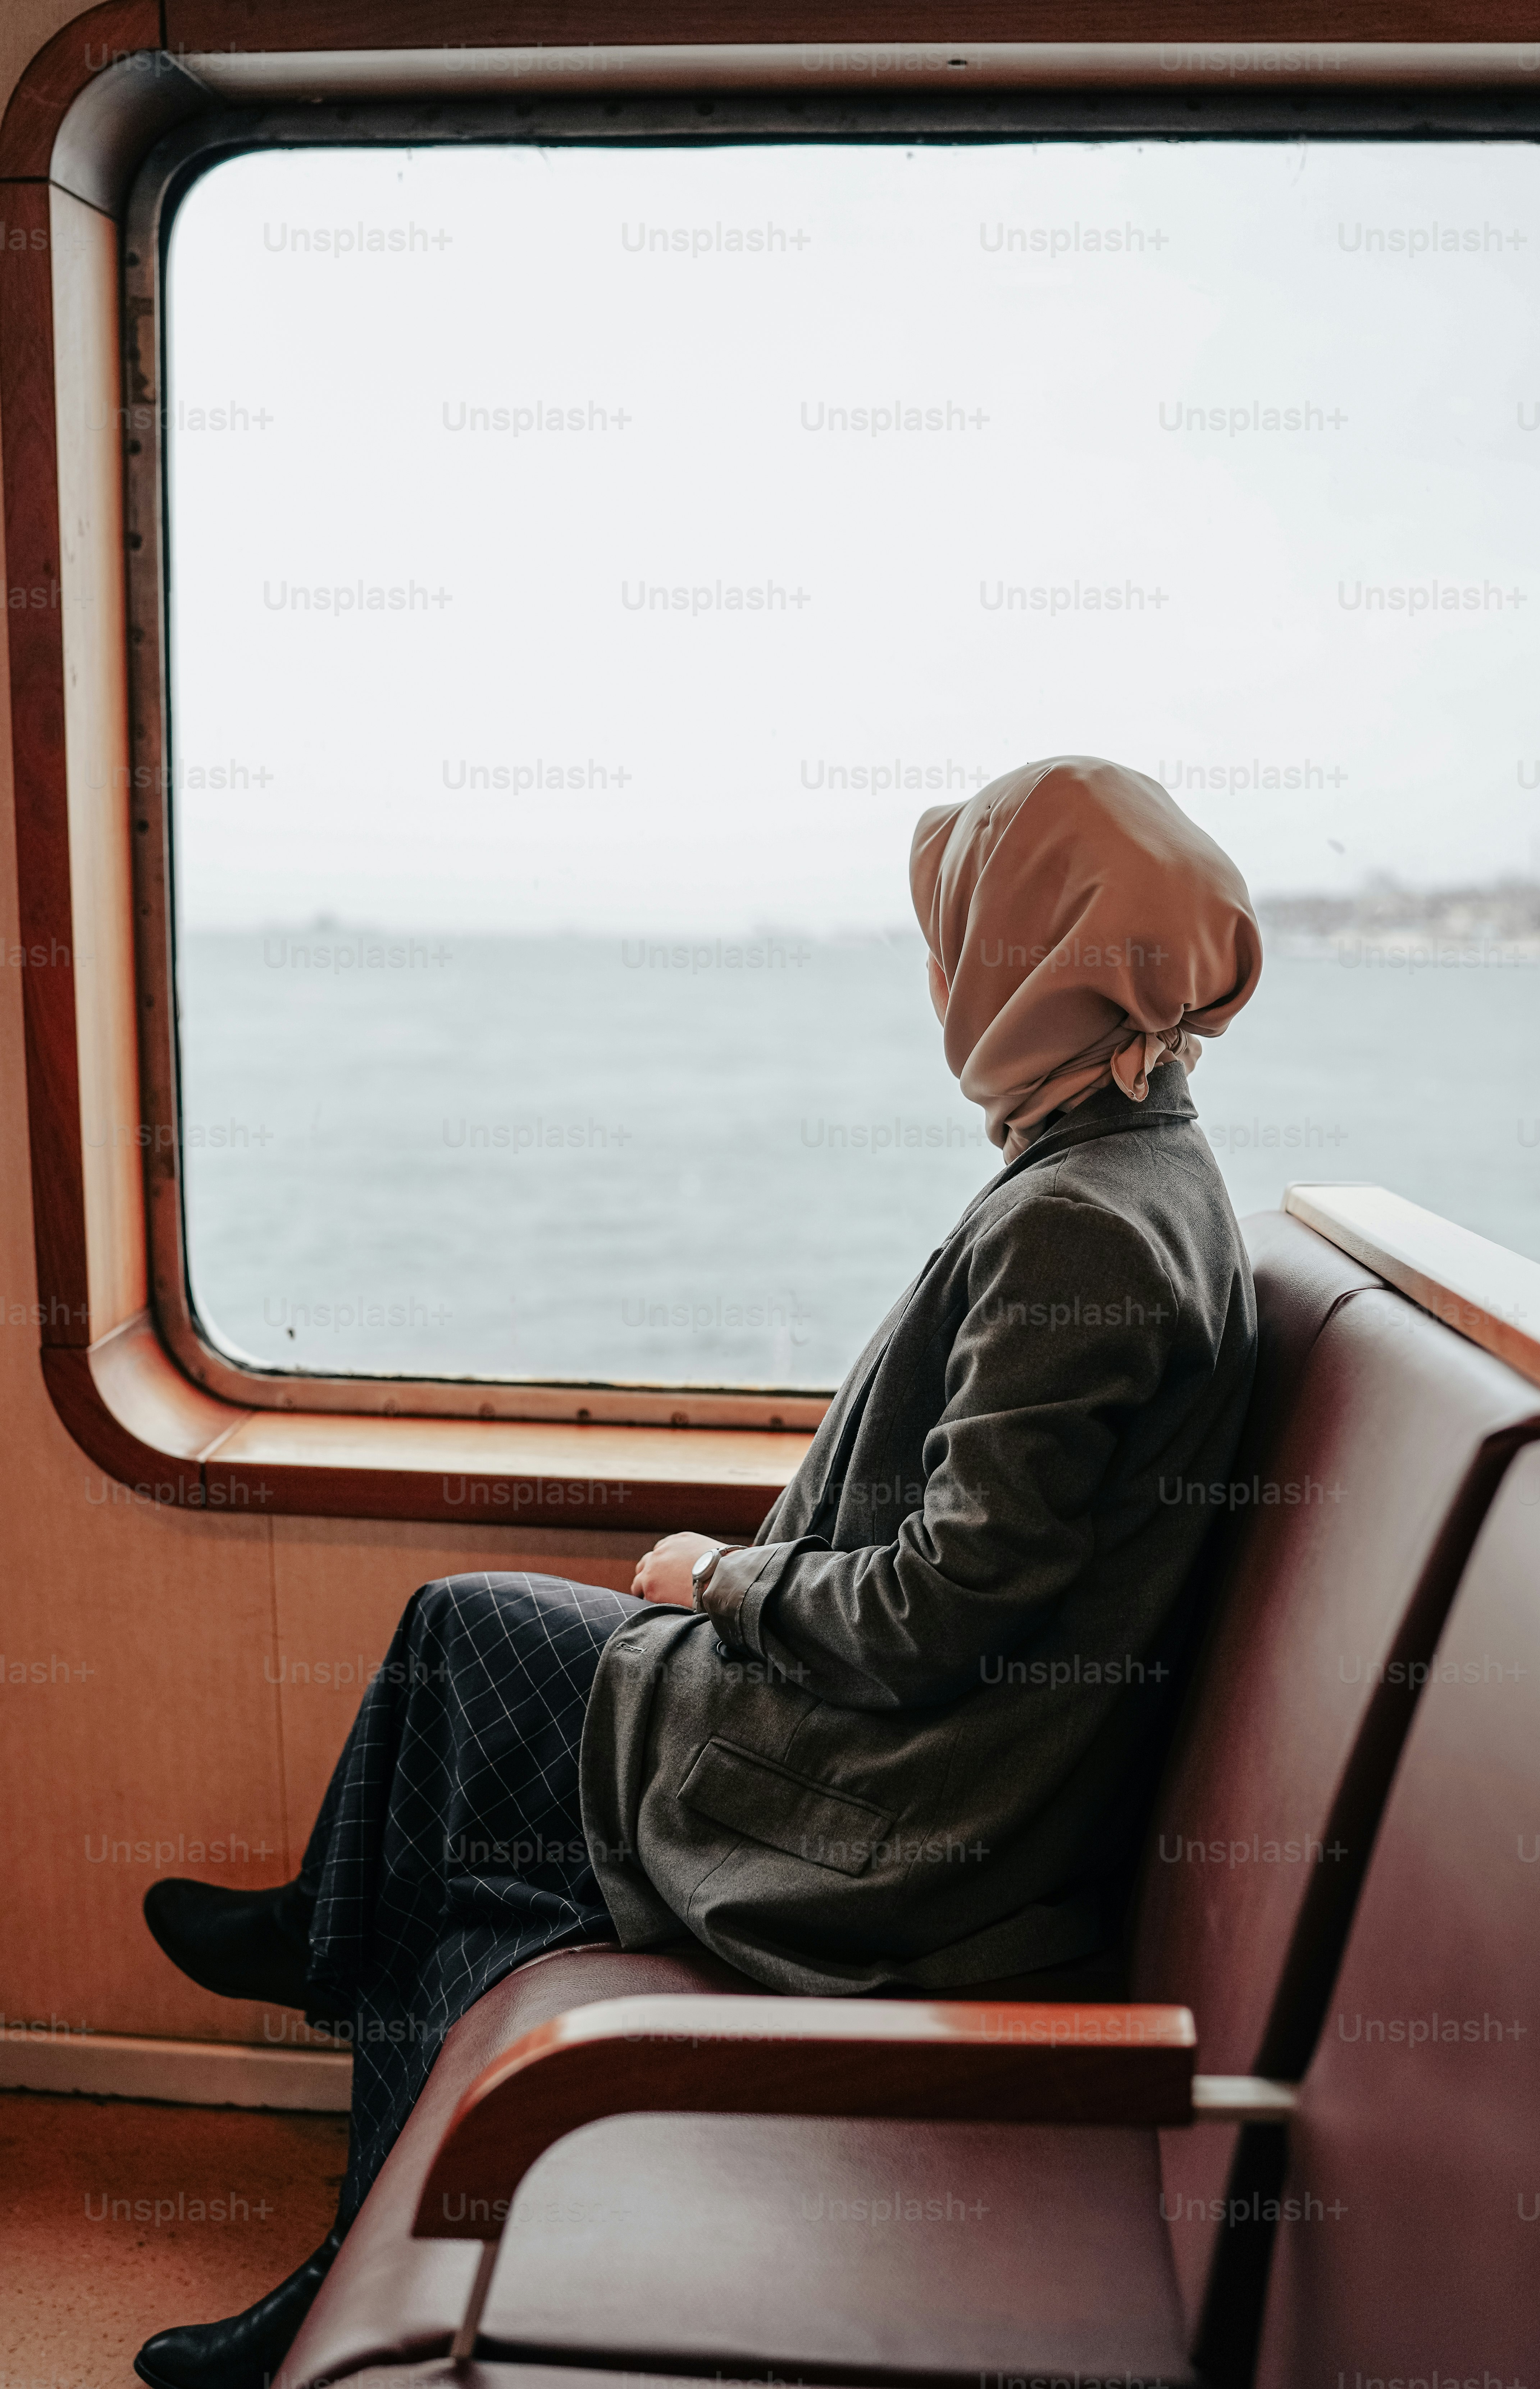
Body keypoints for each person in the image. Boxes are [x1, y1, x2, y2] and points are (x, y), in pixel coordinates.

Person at [133, 755, 1262, 2389]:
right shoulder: (1134, 1164)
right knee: (471, 1802)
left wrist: (719, 1581)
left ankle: (329, 2003)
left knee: (465, 1678)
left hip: (911, 1824)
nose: (937, 978)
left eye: (955, 938)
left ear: (1041, 959)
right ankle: (335, 2071)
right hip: (939, 1771)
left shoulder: (1081, 1222)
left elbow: (940, 1610)